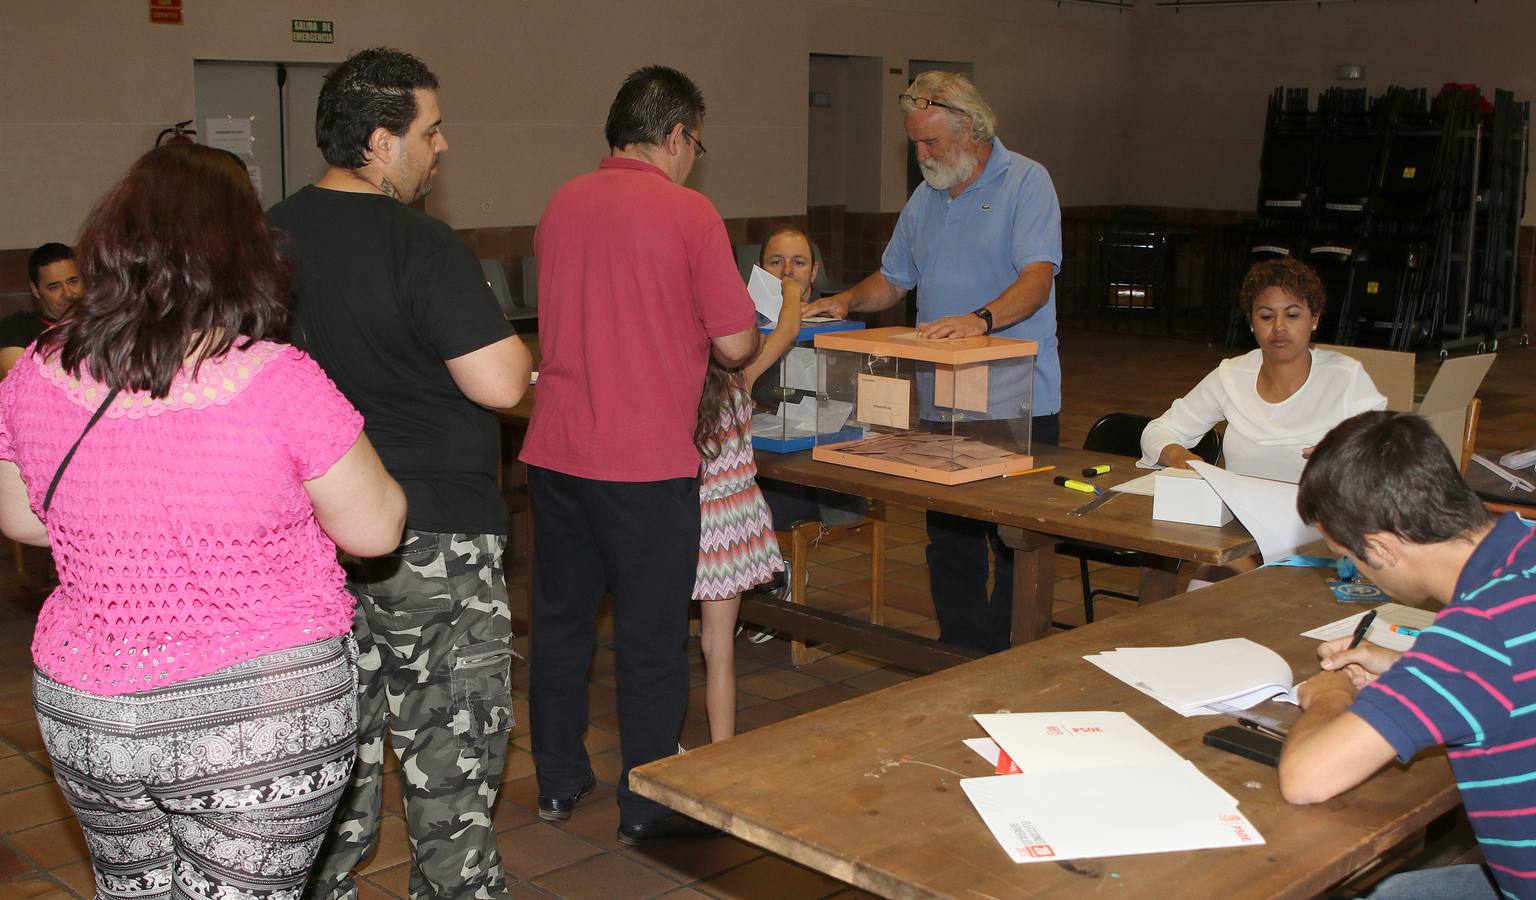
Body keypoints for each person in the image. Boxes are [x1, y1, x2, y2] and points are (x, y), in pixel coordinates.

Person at [0, 143, 405, 900]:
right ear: (245, 251)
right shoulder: (275, 379)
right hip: (255, 717)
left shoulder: (39, 366)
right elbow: (377, 530)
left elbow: (22, 519)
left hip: (92, 711)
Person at [267, 47, 531, 900]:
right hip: (437, 544)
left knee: (328, 774)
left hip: (311, 540)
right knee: (448, 778)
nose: (442, 147)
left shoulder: (265, 239)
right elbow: (500, 382)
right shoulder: (423, 245)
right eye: (432, 129)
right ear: (381, 143)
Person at [520, 64, 758, 845]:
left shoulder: (560, 201)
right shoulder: (690, 213)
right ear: (680, 133)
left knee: (561, 625)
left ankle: (556, 780)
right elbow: (734, 344)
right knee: (652, 637)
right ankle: (648, 802)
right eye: (698, 141)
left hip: (556, 451)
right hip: (645, 464)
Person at [803, 71, 1062, 655]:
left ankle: (1007, 656)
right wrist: (846, 300)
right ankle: (961, 654)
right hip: (944, 400)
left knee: (1014, 537)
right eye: (915, 143)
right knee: (949, 539)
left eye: (930, 143)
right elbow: (894, 279)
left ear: (970, 129)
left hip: (1017, 398)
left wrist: (982, 320)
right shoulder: (926, 199)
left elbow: (1037, 280)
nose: (920, 156)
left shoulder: (1026, 182)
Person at [1279, 410, 1528, 900]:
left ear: (1382, 548)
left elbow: (1306, 779)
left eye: (1348, 557)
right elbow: (1508, 677)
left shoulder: (1475, 635)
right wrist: (1404, 668)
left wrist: (1329, 695)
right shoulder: (1523, 551)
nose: (1354, 569)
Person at [1140, 257, 1386, 483]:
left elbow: (1390, 456)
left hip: (1323, 525)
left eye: (1292, 315)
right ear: (1251, 322)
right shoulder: (1232, 376)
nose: (1279, 327)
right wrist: (1179, 456)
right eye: (1267, 317)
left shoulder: (1346, 378)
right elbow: (1158, 431)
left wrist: (1348, 457)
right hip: (1241, 521)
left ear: (1315, 318)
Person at [694, 273, 803, 741]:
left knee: (662, 638)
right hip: (731, 529)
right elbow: (787, 331)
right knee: (718, 646)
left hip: (687, 518)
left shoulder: (676, 392)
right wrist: (794, 291)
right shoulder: (741, 379)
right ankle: (723, 748)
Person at [0, 243, 82, 376]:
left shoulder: (102, 323)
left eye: (73, 281)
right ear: (35, 290)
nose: (68, 293)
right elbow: (18, 378)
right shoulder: (18, 326)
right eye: (54, 287)